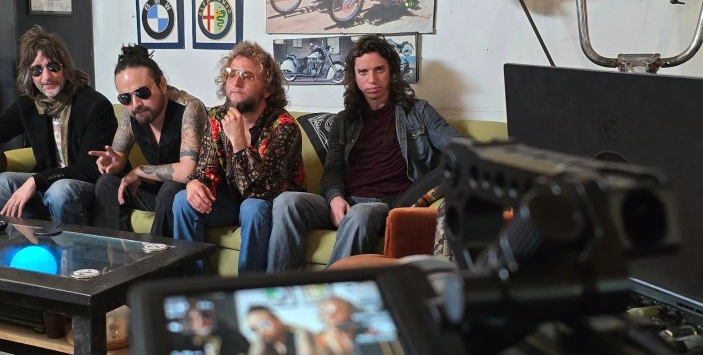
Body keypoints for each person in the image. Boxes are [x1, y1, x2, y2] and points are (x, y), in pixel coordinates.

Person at [268, 34, 459, 271]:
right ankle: (280, 287)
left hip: (384, 205)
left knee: (360, 213)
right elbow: (333, 168)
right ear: (354, 77)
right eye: (363, 72)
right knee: (286, 201)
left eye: (379, 69)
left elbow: (458, 147)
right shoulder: (344, 120)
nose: (372, 79)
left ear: (392, 71)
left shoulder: (418, 111)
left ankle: (330, 289)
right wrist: (335, 198)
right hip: (346, 201)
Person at [0, 25, 117, 224]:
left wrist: (37, 180)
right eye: (37, 70)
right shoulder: (30, 104)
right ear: (30, 75)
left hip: (87, 185)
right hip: (49, 182)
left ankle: (73, 245)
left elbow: (90, 169)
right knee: (0, 185)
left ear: (66, 68)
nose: (46, 77)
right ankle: (31, 240)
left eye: (53, 67)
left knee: (59, 191)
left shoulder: (94, 105)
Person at [173, 40, 305, 273]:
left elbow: (263, 190)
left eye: (247, 76)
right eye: (231, 74)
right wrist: (195, 182)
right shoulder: (217, 116)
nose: (236, 82)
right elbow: (205, 170)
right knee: (183, 200)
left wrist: (239, 142)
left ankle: (247, 287)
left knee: (252, 207)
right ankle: (194, 286)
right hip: (231, 201)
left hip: (269, 206)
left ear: (267, 89)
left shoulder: (283, 126)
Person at [89, 44, 206, 237]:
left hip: (189, 192)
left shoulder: (189, 108)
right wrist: (113, 163)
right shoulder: (130, 113)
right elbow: (118, 157)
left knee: (171, 189)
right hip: (155, 192)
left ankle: (158, 254)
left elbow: (188, 171)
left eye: (142, 93)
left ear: (162, 84)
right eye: (125, 98)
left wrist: (139, 171)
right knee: (107, 183)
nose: (135, 104)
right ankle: (114, 252)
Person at [230, 305, 321, 355]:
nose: (261, 332)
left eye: (265, 325)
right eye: (254, 329)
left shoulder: (300, 333)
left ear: (277, 320)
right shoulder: (261, 340)